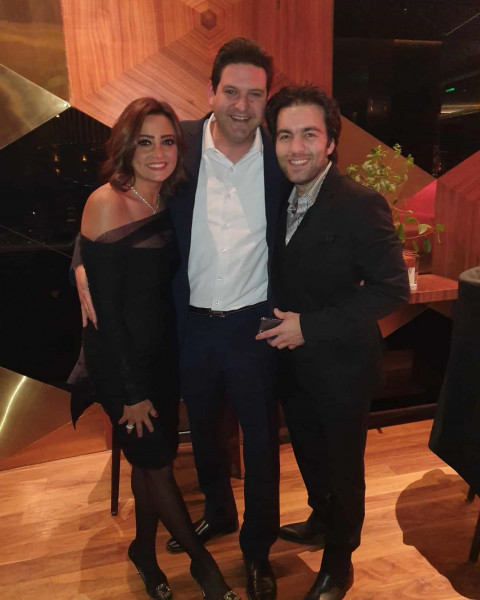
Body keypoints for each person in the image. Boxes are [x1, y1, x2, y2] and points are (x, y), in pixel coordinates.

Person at [74, 39, 291, 600]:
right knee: (206, 435)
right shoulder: (178, 146)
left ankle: (258, 550)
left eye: (255, 95)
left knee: (260, 444)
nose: (242, 105)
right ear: (211, 91)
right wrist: (80, 263)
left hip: (255, 325)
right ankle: (218, 512)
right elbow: (117, 207)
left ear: (267, 99)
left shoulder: (281, 156)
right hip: (187, 327)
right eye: (231, 91)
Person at [73, 97, 240, 600]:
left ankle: (143, 551)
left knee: (151, 461)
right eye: (145, 141)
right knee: (158, 465)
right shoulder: (106, 202)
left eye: (167, 141)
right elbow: (106, 316)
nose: (158, 152)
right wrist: (130, 394)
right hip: (119, 362)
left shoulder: (171, 198)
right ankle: (204, 569)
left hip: (163, 355)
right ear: (126, 145)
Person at [257, 85, 410, 600]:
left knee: (343, 466)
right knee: (308, 452)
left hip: (343, 365)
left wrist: (311, 326)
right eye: (285, 136)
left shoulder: (360, 203)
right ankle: (322, 519)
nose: (296, 147)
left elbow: (392, 288)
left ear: (329, 142)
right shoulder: (277, 198)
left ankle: (340, 560)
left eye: (308, 134)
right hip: (291, 364)